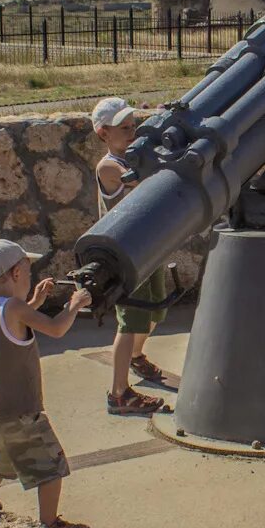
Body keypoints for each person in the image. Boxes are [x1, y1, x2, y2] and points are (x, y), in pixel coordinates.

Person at [0, 237, 94, 528]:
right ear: (15, 274)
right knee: (51, 466)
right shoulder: (14, 307)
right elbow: (56, 328)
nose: (29, 277)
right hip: (21, 410)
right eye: (27, 270)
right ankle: (50, 524)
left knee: (0, 460)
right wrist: (74, 304)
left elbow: (14, 323)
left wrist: (34, 302)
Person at [92, 96, 171, 416]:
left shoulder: (135, 156)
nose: (131, 132)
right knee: (130, 321)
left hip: (148, 248)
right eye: (123, 128)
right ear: (103, 134)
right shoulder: (111, 166)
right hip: (126, 255)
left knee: (156, 312)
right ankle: (119, 392)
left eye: (133, 125)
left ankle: (136, 357)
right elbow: (149, 183)